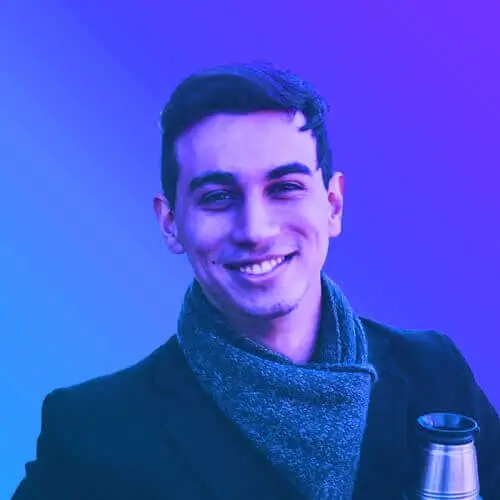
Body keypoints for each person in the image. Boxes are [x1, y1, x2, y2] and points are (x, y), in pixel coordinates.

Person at [13, 62, 499, 500]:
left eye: (285, 188)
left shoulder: (436, 373)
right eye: (217, 196)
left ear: (333, 205)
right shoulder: (91, 434)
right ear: (171, 223)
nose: (255, 230)